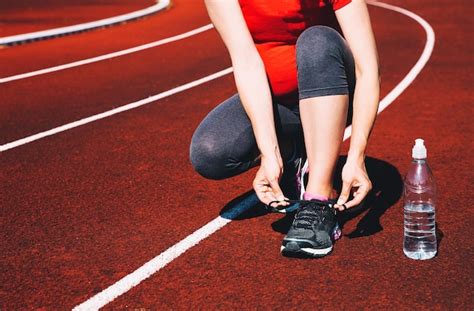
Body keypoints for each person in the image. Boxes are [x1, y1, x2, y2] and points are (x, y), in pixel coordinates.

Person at [190, 0, 380, 258]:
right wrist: (269, 152)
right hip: (280, 103)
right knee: (211, 153)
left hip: (336, 92)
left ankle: (319, 200)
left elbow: (367, 70)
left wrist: (358, 155)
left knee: (316, 41)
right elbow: (246, 63)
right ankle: (297, 156)